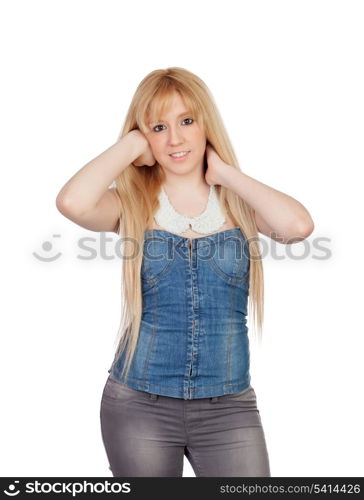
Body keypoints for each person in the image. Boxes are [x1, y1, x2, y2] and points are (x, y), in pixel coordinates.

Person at [56, 67, 314, 477]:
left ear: (205, 125)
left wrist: (225, 173)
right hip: (139, 405)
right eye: (159, 127)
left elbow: (298, 228)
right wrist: (131, 144)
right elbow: (72, 201)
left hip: (228, 407)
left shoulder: (238, 203)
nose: (174, 139)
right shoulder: (132, 204)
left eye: (187, 121)